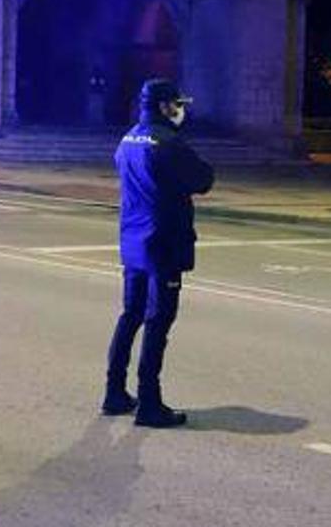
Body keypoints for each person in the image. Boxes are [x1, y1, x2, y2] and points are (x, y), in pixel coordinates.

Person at [101, 78, 215, 428]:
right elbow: (203, 179)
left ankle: (114, 392)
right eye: (176, 104)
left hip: (133, 242)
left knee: (130, 315)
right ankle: (149, 401)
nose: (180, 110)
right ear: (164, 106)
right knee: (158, 322)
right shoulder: (167, 143)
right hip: (163, 243)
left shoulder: (128, 139)